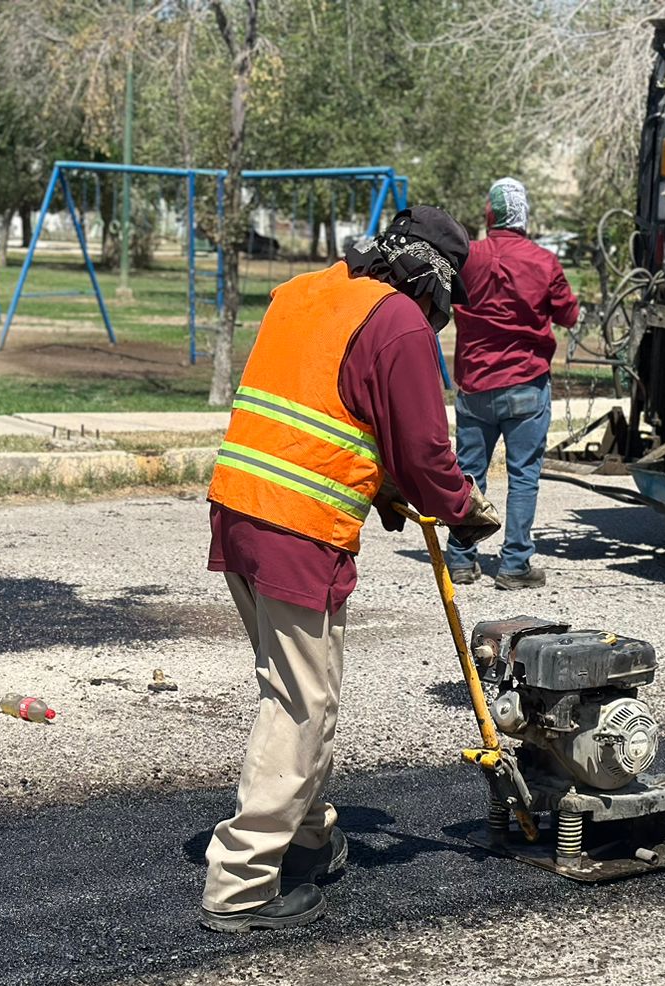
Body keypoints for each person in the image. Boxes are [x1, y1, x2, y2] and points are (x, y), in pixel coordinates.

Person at [201, 206, 502, 935]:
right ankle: (240, 882)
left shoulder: (307, 291)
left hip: (240, 506)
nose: (438, 321)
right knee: (301, 705)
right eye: (445, 306)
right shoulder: (397, 323)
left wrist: (380, 485)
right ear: (431, 283)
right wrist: (459, 507)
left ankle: (306, 839)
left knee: (297, 689)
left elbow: (324, 405)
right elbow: (427, 454)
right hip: (297, 530)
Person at [446, 177, 580, 589]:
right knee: (523, 477)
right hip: (526, 384)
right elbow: (569, 316)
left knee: (469, 475)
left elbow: (447, 302)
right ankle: (514, 565)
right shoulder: (543, 261)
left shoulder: (467, 258)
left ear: (489, 215)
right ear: (524, 216)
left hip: (475, 384)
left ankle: (461, 560)